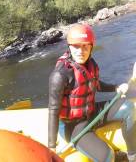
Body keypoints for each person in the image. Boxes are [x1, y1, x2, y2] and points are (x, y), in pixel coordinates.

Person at [48, 24, 136, 161]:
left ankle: (133, 156)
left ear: (91, 47)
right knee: (108, 156)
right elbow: (53, 111)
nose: (80, 51)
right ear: (69, 47)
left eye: (85, 46)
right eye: (76, 46)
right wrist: (51, 146)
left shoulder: (90, 64)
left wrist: (116, 87)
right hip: (71, 125)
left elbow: (94, 84)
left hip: (91, 112)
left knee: (129, 108)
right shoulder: (60, 75)